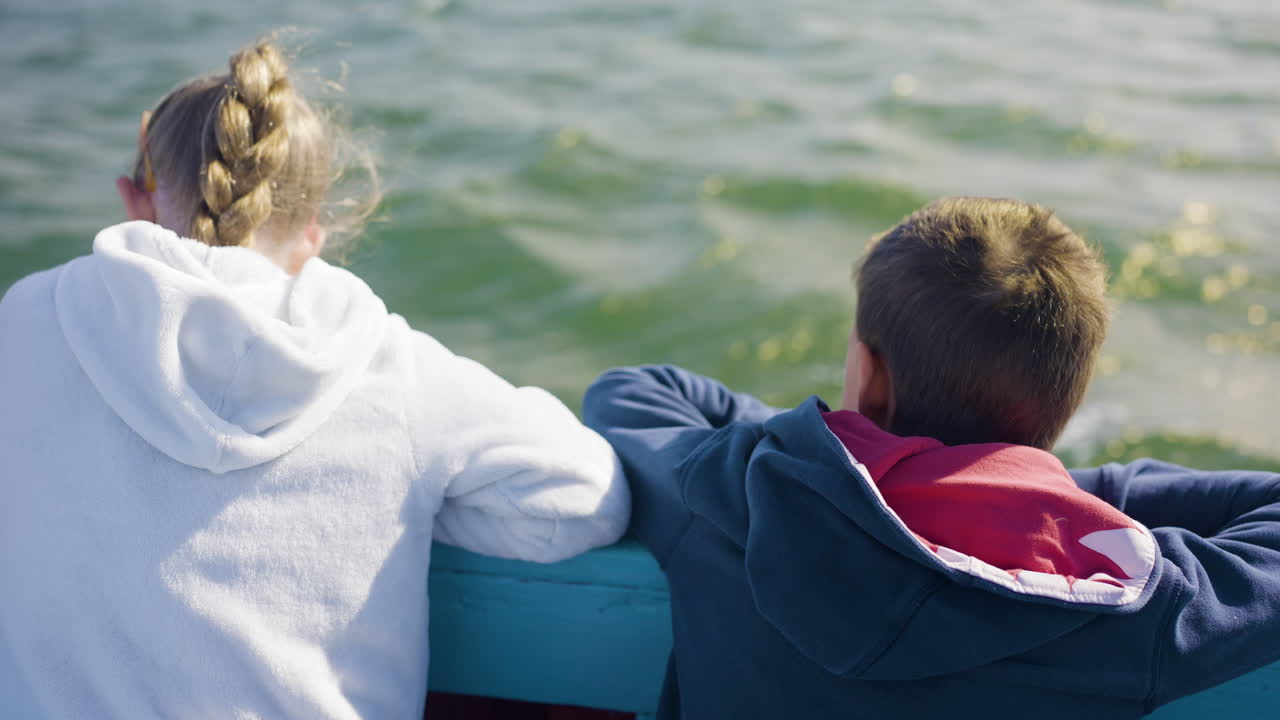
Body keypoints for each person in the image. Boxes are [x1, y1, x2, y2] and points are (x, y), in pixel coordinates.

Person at [0, 39, 629, 719]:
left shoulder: (27, 321)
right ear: (313, 233)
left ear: (135, 199)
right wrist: (404, 495)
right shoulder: (390, 371)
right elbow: (586, 498)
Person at [583, 197, 1280, 720]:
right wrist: (1038, 500)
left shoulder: (727, 494)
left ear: (868, 374)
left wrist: (844, 458)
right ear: (1062, 406)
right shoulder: (1137, 613)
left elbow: (636, 390)